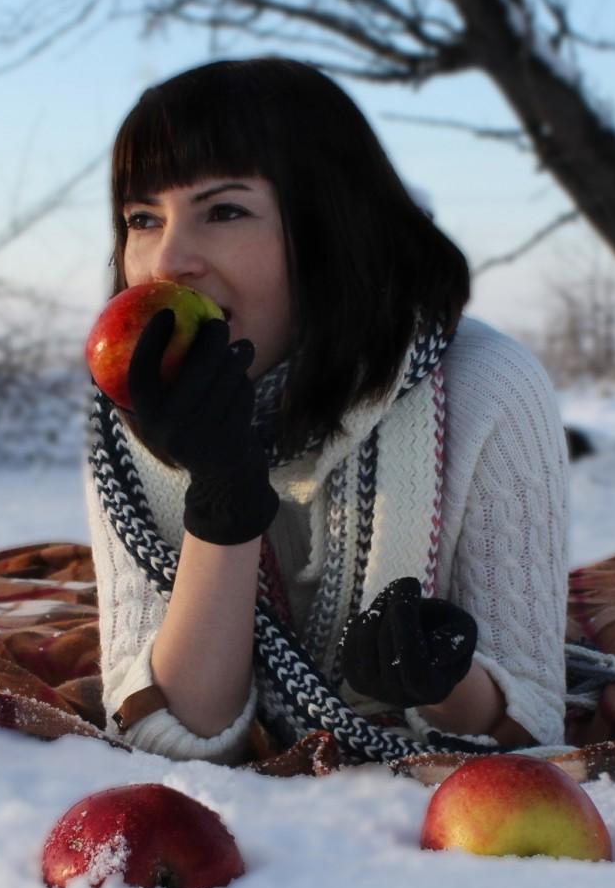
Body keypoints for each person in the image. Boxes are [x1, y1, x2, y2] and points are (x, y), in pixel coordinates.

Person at [83, 57, 571, 766]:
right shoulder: (134, 413)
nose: (168, 261)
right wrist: (223, 498)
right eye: (142, 219)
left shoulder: (487, 387)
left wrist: (439, 680)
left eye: (224, 211)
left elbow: (533, 720)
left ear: (330, 225)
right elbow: (170, 734)